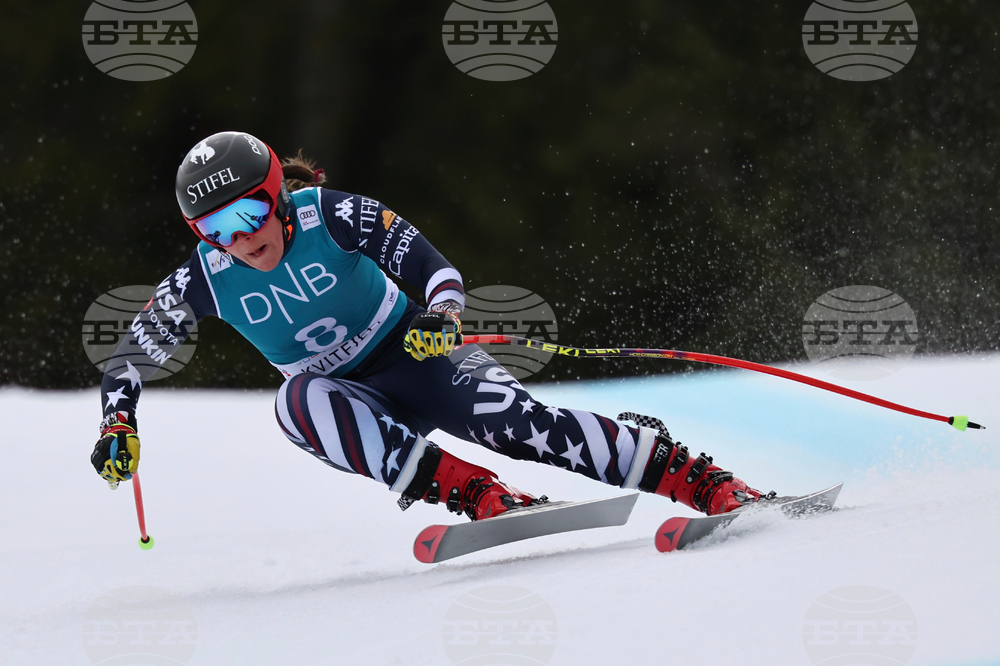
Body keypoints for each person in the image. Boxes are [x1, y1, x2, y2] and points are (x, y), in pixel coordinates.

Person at [91, 131, 767, 524]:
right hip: (351, 403)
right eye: (214, 229)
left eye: (250, 215)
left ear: (279, 194)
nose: (239, 240)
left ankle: (697, 480)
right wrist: (117, 425)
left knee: (522, 427)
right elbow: (128, 358)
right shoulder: (207, 275)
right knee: (296, 404)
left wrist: (443, 319)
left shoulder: (331, 215)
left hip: (420, 354)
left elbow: (435, 270)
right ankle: (478, 495)